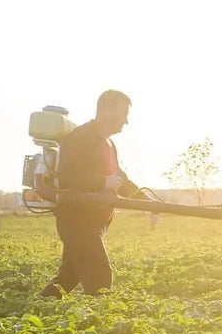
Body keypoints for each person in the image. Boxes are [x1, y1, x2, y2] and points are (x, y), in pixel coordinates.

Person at [40, 89, 144, 298]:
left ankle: (38, 308)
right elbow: (68, 174)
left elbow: (119, 177)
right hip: (77, 221)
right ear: (106, 109)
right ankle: (102, 324)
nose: (126, 121)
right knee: (100, 276)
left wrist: (144, 199)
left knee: (68, 276)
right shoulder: (82, 137)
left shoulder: (108, 143)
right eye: (123, 113)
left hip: (92, 224)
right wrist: (102, 182)